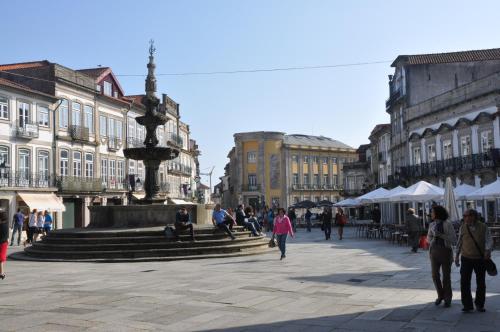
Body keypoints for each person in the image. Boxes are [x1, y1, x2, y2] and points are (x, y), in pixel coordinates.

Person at [455, 209, 493, 313]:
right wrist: (457, 255)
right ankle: (467, 305)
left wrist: (487, 250)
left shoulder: (483, 227)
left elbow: (489, 240)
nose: (465, 218)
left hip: (479, 259)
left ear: (474, 216)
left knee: (481, 282)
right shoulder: (463, 227)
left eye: (467, 216)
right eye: (464, 216)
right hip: (466, 258)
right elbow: (459, 242)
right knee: (464, 282)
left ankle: (479, 304)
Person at [427, 205, 457, 308]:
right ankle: (440, 295)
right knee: (435, 275)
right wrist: (432, 239)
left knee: (446, 277)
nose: (431, 214)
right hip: (434, 251)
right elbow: (428, 238)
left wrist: (441, 235)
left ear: (437, 213)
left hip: (446, 251)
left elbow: (453, 239)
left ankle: (448, 298)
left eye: (432, 212)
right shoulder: (432, 224)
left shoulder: (447, 224)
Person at [0, 208, 8, 280]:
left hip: (1, 243)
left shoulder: (1, 226)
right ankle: (2, 273)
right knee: (1, 259)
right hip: (4, 243)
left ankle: (2, 273)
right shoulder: (6, 225)